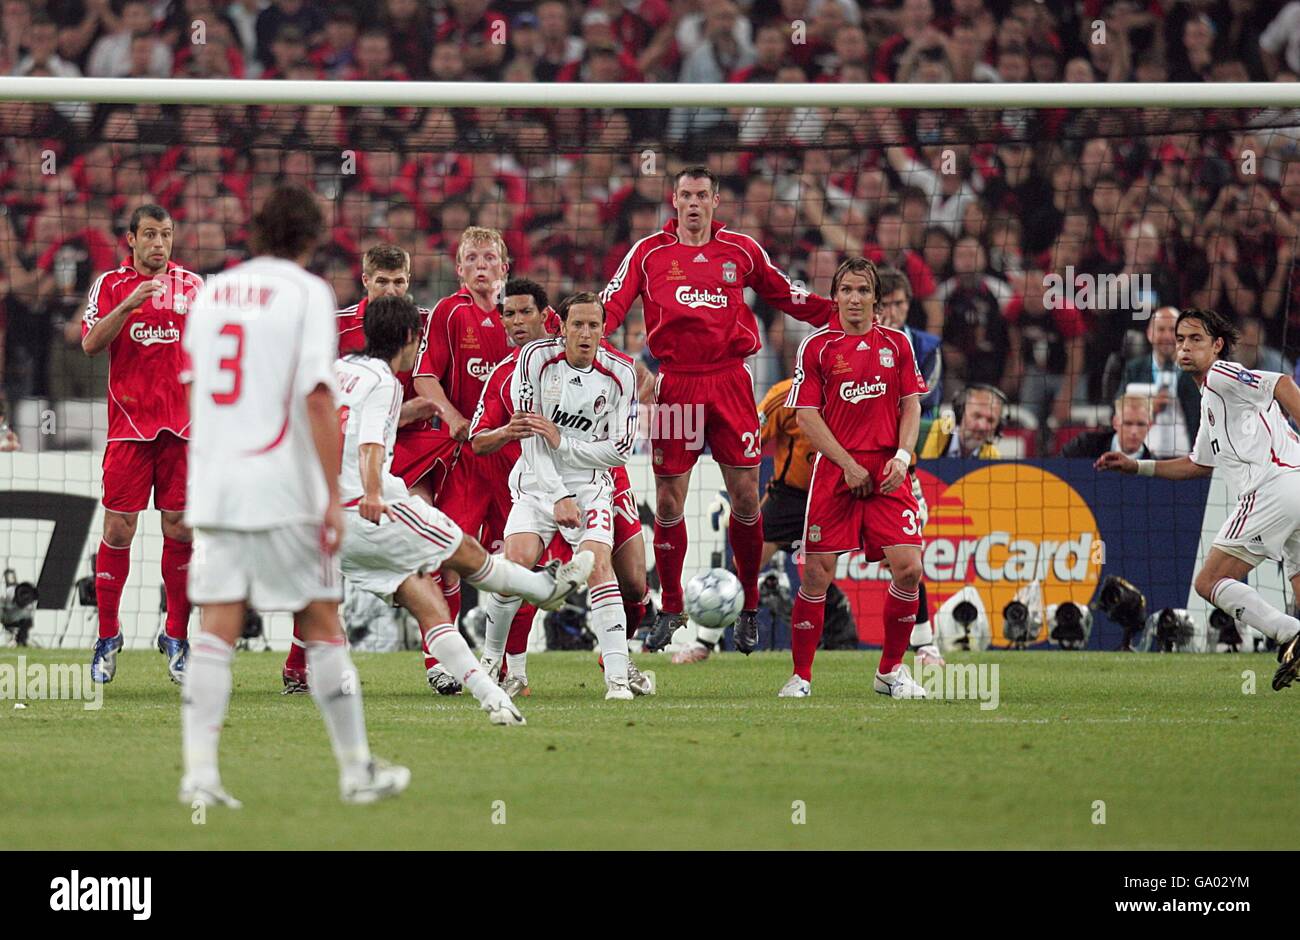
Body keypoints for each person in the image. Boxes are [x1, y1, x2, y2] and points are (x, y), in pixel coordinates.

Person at [180, 185, 406, 807]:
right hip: (281, 482)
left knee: (218, 624)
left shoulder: (212, 292)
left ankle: (199, 774)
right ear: (311, 238)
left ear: (255, 231)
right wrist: (331, 495)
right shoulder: (308, 293)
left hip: (218, 480)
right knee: (322, 619)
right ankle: (357, 770)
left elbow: (197, 382)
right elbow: (316, 396)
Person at [600, 165, 837, 656]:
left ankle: (749, 606)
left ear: (715, 201)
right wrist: (627, 364)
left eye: (701, 195)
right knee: (668, 501)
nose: (692, 203)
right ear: (674, 200)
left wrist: (837, 312)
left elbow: (784, 294)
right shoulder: (648, 255)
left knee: (747, 499)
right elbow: (608, 313)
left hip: (730, 382)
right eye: (685, 195)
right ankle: (669, 608)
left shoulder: (742, 250)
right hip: (675, 384)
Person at [335, 294, 595, 725]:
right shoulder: (383, 381)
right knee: (471, 557)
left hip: (328, 523)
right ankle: (544, 590)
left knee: (426, 599)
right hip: (373, 508)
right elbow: (369, 444)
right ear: (410, 338)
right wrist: (372, 490)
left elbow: (340, 424)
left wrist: (402, 413)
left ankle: (493, 700)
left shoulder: (338, 371)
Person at [1096, 308, 1300, 692]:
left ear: (1217, 346)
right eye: (1180, 340)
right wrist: (1136, 466)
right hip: (1295, 489)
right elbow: (1197, 465)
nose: (1185, 347)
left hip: (1273, 487)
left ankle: (1289, 632)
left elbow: (1282, 383)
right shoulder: (1211, 402)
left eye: (1195, 339)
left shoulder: (1222, 374)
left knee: (1209, 582)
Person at [470, 279, 652, 696]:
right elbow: (531, 436)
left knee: (601, 570)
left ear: (604, 330)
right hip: (537, 486)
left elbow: (620, 450)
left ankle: (618, 679)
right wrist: (557, 496)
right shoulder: (535, 359)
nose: (585, 334)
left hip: (590, 489)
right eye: (577, 325)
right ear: (562, 327)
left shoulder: (621, 373)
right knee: (513, 568)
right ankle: (491, 662)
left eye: (593, 326)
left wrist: (565, 444)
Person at [281, 242, 437, 694]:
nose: (391, 290)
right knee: (319, 556)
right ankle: (299, 662)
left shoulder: (421, 325)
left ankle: (438, 659)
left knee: (434, 541)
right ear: (365, 281)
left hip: (405, 446)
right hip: (353, 447)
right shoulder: (333, 327)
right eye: (382, 281)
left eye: (400, 281)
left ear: (409, 282)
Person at [782, 256, 928, 698]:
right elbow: (806, 416)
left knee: (909, 570)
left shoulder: (898, 345)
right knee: (816, 576)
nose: (854, 298)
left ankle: (889, 673)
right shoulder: (816, 347)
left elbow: (911, 405)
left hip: (887, 471)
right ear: (835, 297)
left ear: (876, 300)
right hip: (835, 472)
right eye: (846, 290)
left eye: (863, 290)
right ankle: (801, 677)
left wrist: (902, 457)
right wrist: (846, 463)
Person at [82, 205, 203, 685]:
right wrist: (128, 305)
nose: (159, 243)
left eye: (166, 234)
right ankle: (107, 636)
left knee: (181, 530)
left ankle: (177, 636)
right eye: (149, 234)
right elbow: (90, 343)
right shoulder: (109, 285)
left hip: (184, 429)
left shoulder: (194, 287)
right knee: (118, 530)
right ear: (130, 239)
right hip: (128, 428)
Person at [407, 226, 512, 690]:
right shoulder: (450, 312)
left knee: (516, 561)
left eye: (490, 257)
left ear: (504, 268)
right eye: (472, 258)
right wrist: (451, 416)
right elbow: (425, 376)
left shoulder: (523, 315)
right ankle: (438, 662)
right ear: (460, 269)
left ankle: (504, 663)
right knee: (445, 553)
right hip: (466, 454)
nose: (482, 265)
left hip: (514, 457)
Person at [1116, 305, 1199, 458]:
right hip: (1142, 461)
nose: (1167, 336)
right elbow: (1116, 412)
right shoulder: (1133, 370)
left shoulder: (1197, 372)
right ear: (1149, 334)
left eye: (1172, 330)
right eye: (1161, 330)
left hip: (1188, 463)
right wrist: (1148, 408)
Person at [876, 265, 942, 416]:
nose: (892, 313)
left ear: (908, 303)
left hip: (918, 423)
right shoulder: (856, 345)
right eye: (884, 305)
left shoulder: (929, 347)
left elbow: (927, 396)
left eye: (898, 304)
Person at [917, 383, 1006, 458]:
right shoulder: (918, 433)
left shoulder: (994, 459)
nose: (982, 426)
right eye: (976, 416)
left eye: (990, 420)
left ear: (998, 427)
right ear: (960, 414)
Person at [1061, 393, 1154, 459]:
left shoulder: (1155, 467)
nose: (1134, 431)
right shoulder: (1083, 447)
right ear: (1115, 423)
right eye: (1127, 423)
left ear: (1150, 426)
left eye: (1141, 424)